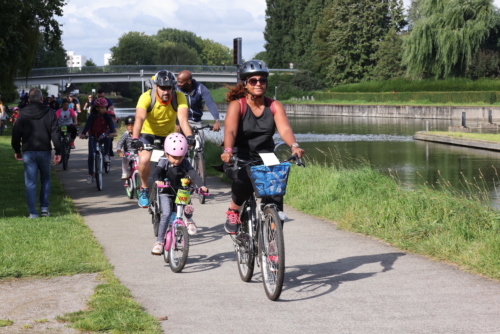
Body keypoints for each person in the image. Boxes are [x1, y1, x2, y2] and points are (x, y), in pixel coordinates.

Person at [220, 60, 305, 234]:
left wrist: (294, 146)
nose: (259, 83)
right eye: (253, 80)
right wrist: (228, 150)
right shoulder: (238, 105)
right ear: (245, 83)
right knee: (243, 179)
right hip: (240, 154)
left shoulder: (274, 106)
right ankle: (234, 210)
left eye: (262, 80)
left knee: (275, 193)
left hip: (266, 156)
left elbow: (285, 129)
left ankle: (273, 244)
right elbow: (230, 132)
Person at [131, 69, 193, 208]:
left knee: (178, 162)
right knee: (145, 160)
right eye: (162, 88)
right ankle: (145, 189)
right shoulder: (146, 97)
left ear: (173, 87)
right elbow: (139, 118)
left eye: (169, 88)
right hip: (148, 133)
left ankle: (176, 193)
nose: (166, 91)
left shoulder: (179, 97)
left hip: (168, 135)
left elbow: (183, 120)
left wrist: (190, 137)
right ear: (156, 86)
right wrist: (135, 138)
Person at [151, 133, 208, 254]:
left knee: (187, 206)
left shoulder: (185, 162)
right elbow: (157, 172)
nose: (177, 160)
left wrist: (201, 185)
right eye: (174, 157)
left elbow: (193, 174)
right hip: (165, 191)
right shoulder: (163, 161)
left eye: (180, 157)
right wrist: (157, 180)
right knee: (166, 214)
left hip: (181, 190)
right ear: (167, 153)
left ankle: (189, 220)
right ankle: (159, 241)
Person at [11, 88, 62, 218]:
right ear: (42, 99)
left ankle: (33, 212)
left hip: (28, 151)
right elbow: (55, 133)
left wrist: (17, 150)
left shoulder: (23, 113)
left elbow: (16, 133)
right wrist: (58, 150)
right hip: (44, 150)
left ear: (28, 100)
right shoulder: (50, 112)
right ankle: (44, 208)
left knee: (30, 182)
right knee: (45, 179)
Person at [79, 98, 117, 184]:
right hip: (93, 135)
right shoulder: (92, 116)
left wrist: (112, 133)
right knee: (91, 155)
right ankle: (90, 174)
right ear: (97, 108)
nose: (104, 109)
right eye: (102, 108)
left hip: (102, 135)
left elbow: (111, 126)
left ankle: (106, 155)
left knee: (107, 138)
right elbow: (87, 125)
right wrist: (83, 133)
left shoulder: (107, 115)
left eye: (105, 108)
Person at [175, 70, 221, 135]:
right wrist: (176, 123)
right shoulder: (175, 88)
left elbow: (210, 103)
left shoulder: (200, 88)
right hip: (179, 121)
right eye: (177, 81)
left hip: (195, 121)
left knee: (199, 142)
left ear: (189, 81)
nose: (178, 84)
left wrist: (217, 120)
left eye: (180, 82)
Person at [116, 115, 135, 180]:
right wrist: (119, 150)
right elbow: (120, 143)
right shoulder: (125, 134)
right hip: (128, 154)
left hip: (137, 154)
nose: (130, 127)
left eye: (132, 125)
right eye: (128, 125)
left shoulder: (139, 134)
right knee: (125, 159)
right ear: (126, 126)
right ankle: (125, 172)